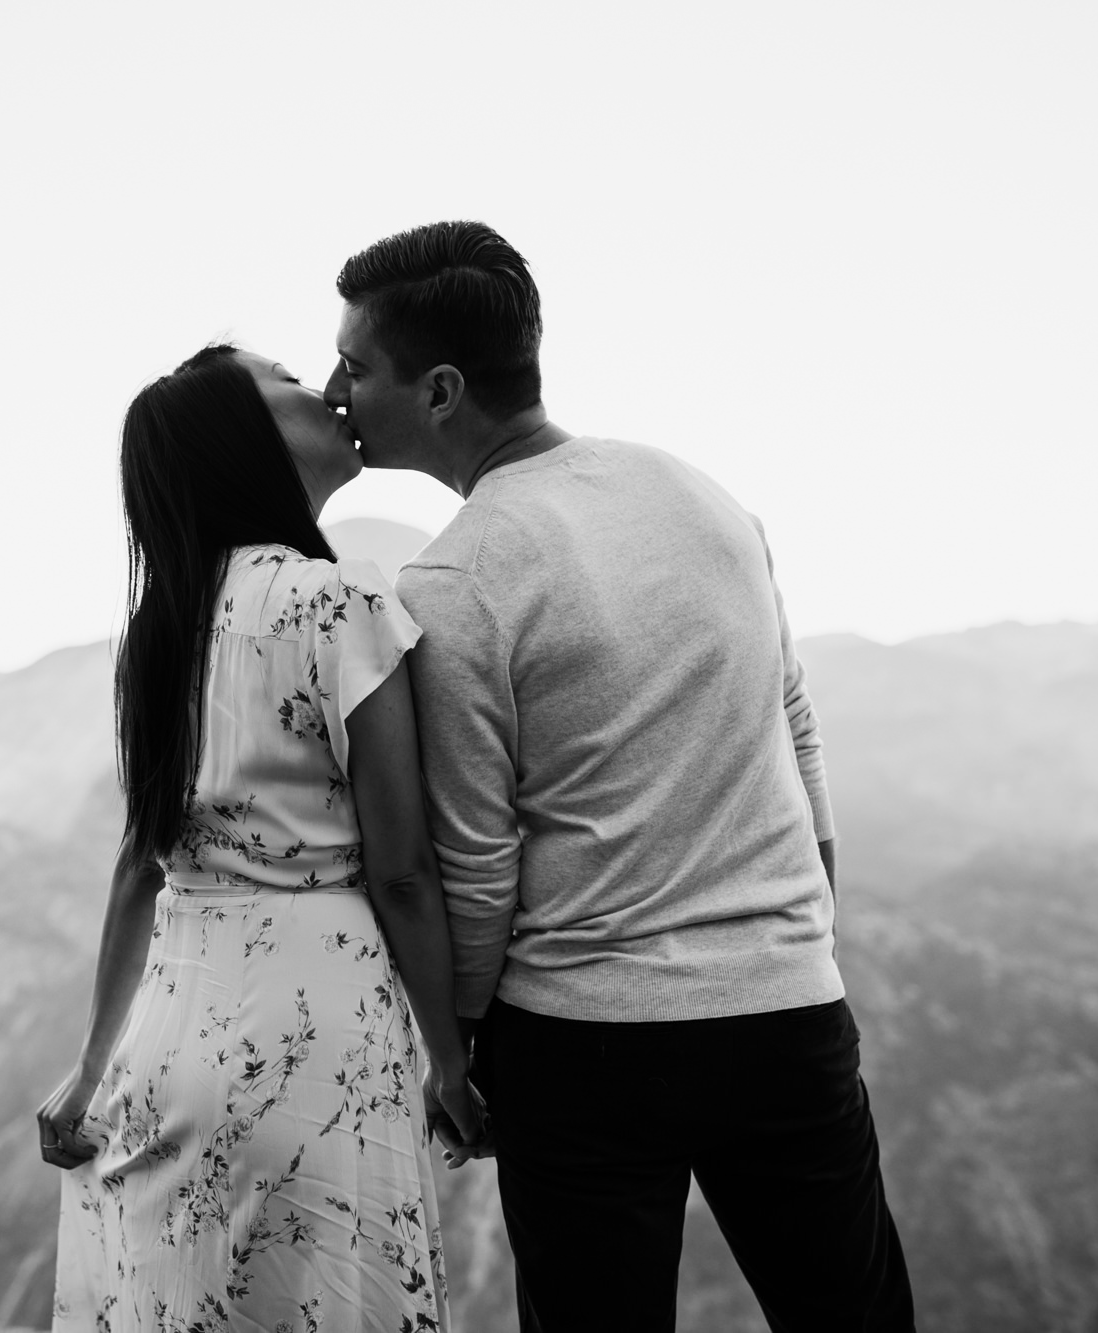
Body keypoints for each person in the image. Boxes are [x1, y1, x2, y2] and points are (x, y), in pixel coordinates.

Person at [322, 221, 915, 1333]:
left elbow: (477, 861)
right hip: (785, 1008)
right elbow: (795, 725)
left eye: (356, 365)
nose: (333, 388)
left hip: (584, 1043)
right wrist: (801, 930)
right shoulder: (700, 494)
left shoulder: (457, 575)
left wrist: (461, 1056)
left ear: (441, 389)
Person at [36, 343, 485, 1333]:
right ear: (248, 435)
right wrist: (451, 1063)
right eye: (286, 379)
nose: (321, 389)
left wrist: (89, 1064)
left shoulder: (159, 630)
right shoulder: (342, 603)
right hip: (313, 1035)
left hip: (166, 1039)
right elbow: (404, 873)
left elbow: (136, 866)